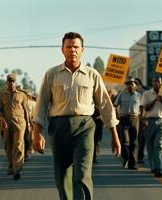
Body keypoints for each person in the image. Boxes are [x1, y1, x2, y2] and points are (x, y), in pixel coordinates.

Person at [33, 32, 121, 200]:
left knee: (81, 174)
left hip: (85, 127)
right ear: (62, 50)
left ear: (82, 50)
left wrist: (115, 135)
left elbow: (104, 105)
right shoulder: (51, 74)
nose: (72, 50)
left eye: (76, 47)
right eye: (68, 47)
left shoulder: (92, 75)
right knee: (62, 175)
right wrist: (37, 132)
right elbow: (42, 104)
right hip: (59, 128)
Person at [0, 74, 31, 180]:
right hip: (6, 123)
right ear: (6, 83)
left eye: (13, 81)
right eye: (9, 81)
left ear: (16, 83)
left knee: (18, 145)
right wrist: (2, 119)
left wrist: (29, 124)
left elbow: (26, 110)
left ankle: (17, 169)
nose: (11, 83)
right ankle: (11, 165)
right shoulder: (2, 95)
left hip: (20, 123)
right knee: (8, 145)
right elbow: (0, 110)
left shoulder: (22, 95)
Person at [141, 76, 162, 177]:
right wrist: (155, 100)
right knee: (150, 145)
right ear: (152, 83)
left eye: (159, 81)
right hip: (149, 121)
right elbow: (146, 108)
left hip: (161, 122)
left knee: (159, 145)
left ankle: (158, 168)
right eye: (155, 81)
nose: (157, 83)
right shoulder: (146, 94)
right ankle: (153, 166)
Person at [114, 76, 141, 169]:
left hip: (135, 119)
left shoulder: (139, 95)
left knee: (134, 142)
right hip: (124, 119)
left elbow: (142, 107)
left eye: (132, 84)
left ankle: (132, 163)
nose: (130, 85)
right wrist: (117, 116)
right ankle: (125, 158)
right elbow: (115, 105)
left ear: (135, 86)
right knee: (125, 141)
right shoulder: (122, 94)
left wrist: (143, 119)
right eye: (128, 84)